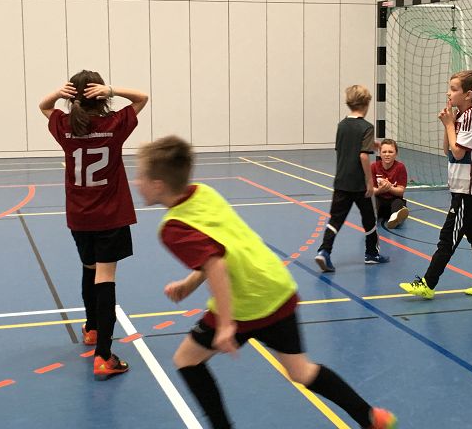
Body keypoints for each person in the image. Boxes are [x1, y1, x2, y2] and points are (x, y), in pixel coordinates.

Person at [136, 135, 397, 429]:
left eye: (141, 177)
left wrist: (225, 325)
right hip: (276, 285)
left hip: (243, 302)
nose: (137, 182)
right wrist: (189, 283)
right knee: (300, 370)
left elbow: (215, 263)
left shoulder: (172, 227)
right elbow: (223, 247)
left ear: (158, 185)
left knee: (186, 359)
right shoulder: (203, 192)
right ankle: (370, 417)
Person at [39, 70, 148, 379]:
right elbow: (142, 97)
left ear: (72, 97)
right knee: (105, 277)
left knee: (89, 269)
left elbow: (43, 106)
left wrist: (59, 94)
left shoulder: (65, 126)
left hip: (79, 216)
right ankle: (103, 355)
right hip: (110, 216)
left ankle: (92, 328)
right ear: (101, 96)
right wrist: (111, 89)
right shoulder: (113, 125)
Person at [399, 70, 472, 299]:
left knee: (448, 238)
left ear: (468, 94)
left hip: (466, 190)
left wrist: (449, 124)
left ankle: (428, 284)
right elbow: (447, 149)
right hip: (459, 187)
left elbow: (458, 152)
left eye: (454, 89)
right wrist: (448, 123)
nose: (448, 93)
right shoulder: (460, 117)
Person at [314, 85, 389, 273]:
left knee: (335, 219)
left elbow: (348, 147)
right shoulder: (366, 127)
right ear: (366, 103)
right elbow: (363, 155)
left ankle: (324, 251)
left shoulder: (341, 125)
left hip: (341, 181)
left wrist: (372, 144)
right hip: (358, 184)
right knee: (369, 219)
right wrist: (369, 182)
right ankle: (371, 253)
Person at [371, 139, 409, 231]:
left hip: (394, 199)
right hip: (379, 199)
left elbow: (401, 191)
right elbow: (371, 191)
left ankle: (394, 218)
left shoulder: (400, 167)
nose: (387, 154)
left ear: (396, 154)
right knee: (371, 201)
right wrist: (380, 190)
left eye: (390, 152)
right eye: (384, 152)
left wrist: (389, 188)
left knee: (398, 203)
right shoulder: (374, 167)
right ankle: (372, 217)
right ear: (380, 154)